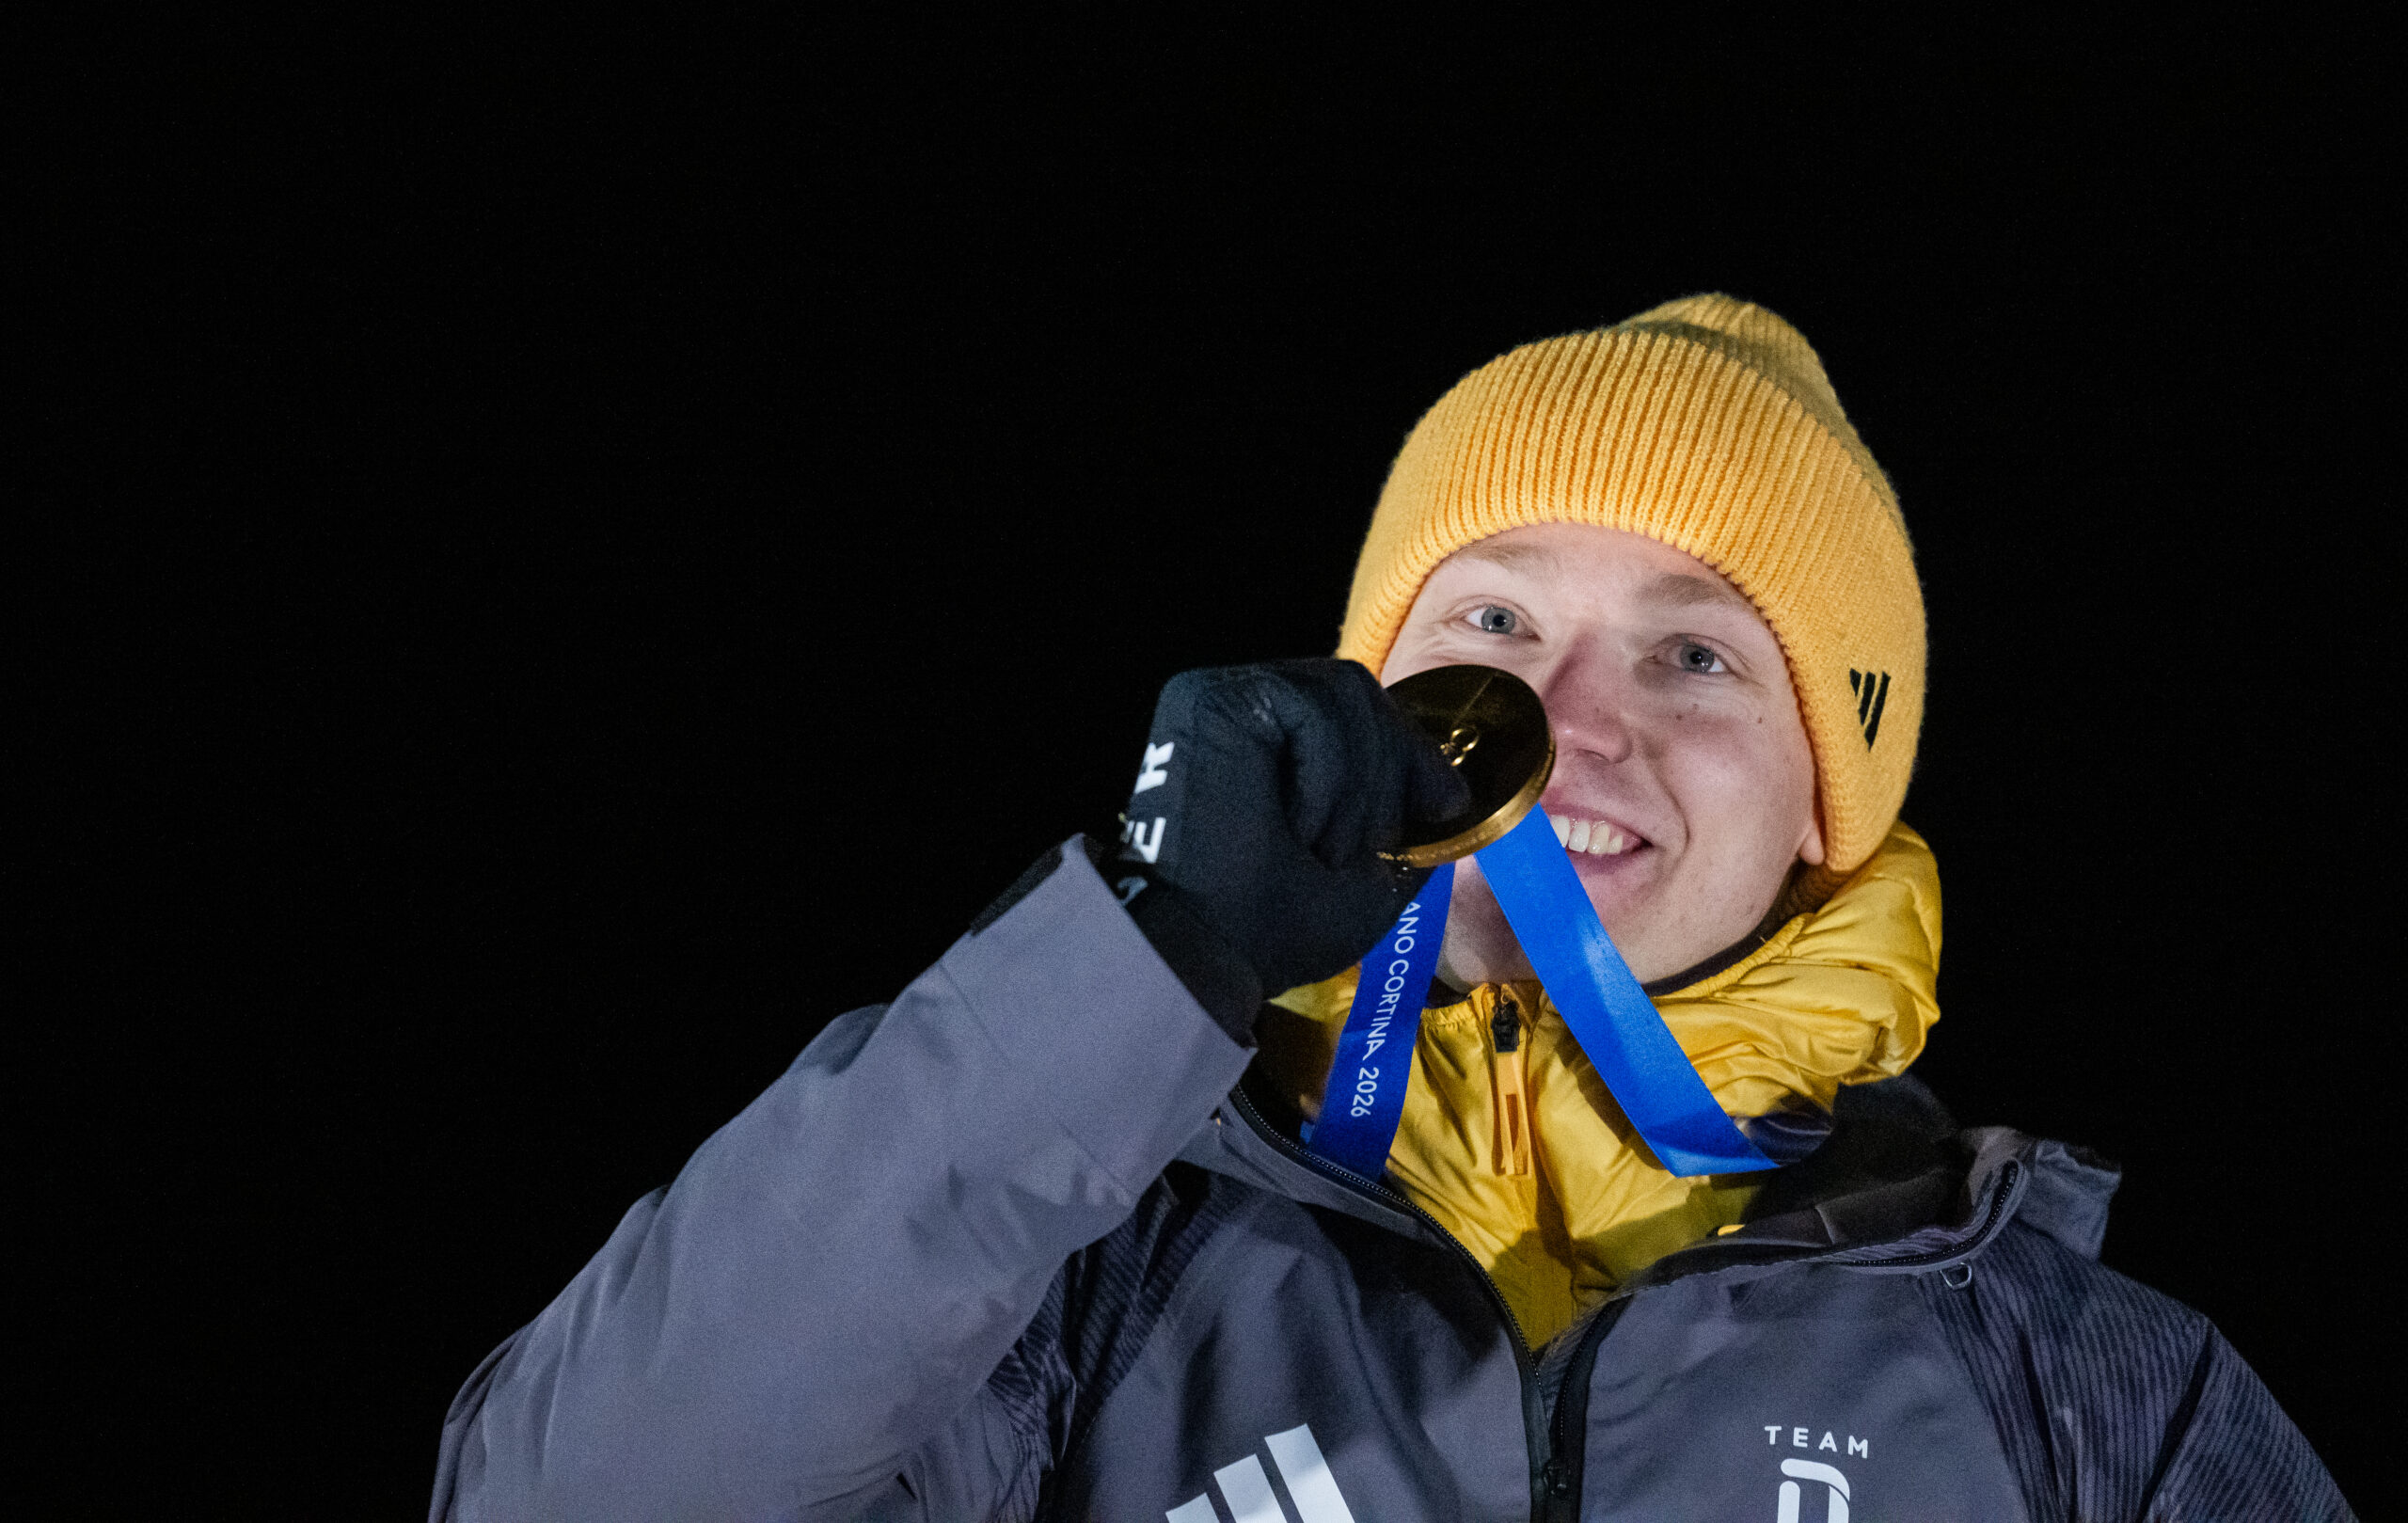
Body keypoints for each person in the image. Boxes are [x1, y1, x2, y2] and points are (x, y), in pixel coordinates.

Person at [430, 295, 2350, 1521]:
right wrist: (1129, 962)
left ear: (1823, 813)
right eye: (1494, 618)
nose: (1567, 720)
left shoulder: (2083, 1385)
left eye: (1694, 655)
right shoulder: (1088, 1274)